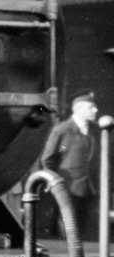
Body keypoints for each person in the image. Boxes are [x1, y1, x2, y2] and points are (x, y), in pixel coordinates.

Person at [41, 90, 100, 239]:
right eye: (91, 107)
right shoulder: (62, 130)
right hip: (68, 189)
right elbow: (49, 159)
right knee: (68, 232)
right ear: (78, 108)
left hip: (90, 188)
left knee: (85, 232)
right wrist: (55, 183)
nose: (96, 110)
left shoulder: (95, 130)